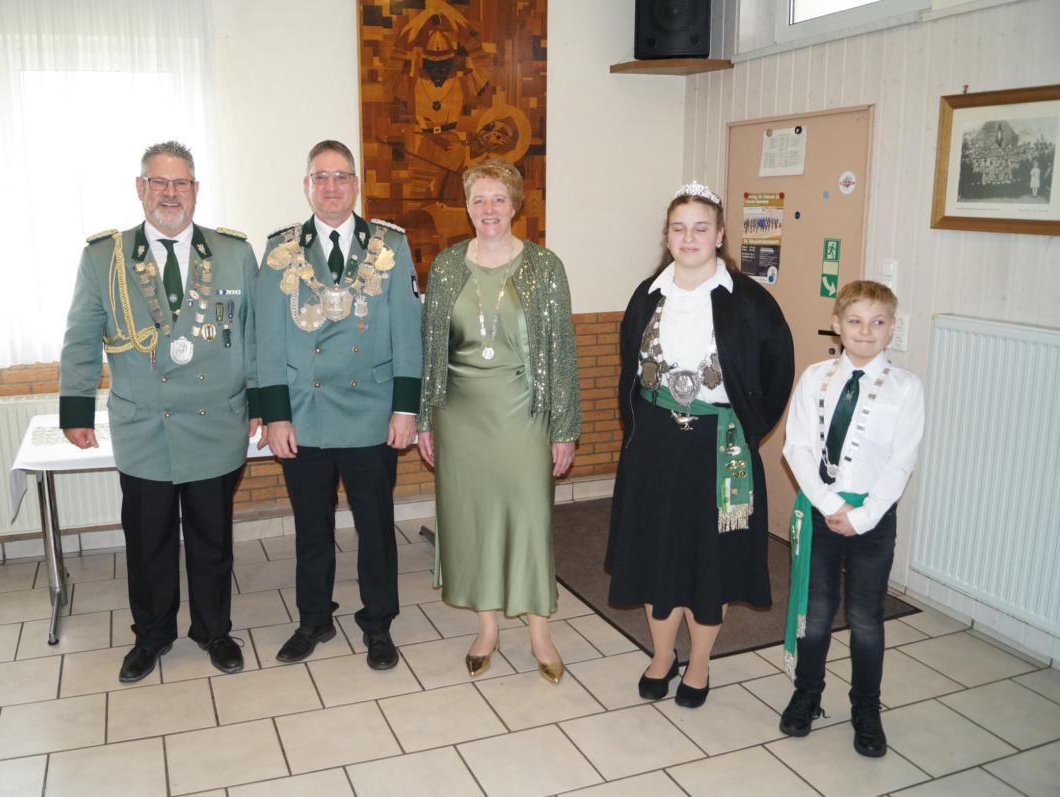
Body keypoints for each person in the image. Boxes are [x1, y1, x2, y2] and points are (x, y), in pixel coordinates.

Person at [60, 141, 262, 682]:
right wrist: (76, 409)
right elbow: (81, 336)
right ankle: (151, 636)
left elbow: (254, 335)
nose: (170, 193)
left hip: (215, 422)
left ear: (196, 190)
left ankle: (214, 631)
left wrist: (262, 402)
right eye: (159, 182)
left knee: (212, 541)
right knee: (148, 541)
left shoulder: (233, 252)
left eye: (181, 183)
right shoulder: (104, 257)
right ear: (140, 188)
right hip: (144, 426)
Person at [604, 182, 794, 708]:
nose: (689, 238)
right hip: (654, 446)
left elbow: (778, 369)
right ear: (667, 236)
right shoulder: (647, 295)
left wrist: (749, 426)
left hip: (720, 447)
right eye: (679, 228)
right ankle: (662, 656)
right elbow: (629, 364)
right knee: (656, 552)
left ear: (720, 235)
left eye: (701, 228)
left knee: (711, 558)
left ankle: (700, 663)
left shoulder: (750, 302)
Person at [252, 140, 422, 670]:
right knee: (311, 526)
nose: (331, 186)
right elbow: (267, 339)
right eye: (321, 177)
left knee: (376, 526)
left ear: (356, 184)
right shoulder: (281, 248)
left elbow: (408, 330)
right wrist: (276, 414)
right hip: (305, 412)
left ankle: (378, 623)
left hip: (372, 411)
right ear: (307, 186)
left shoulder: (390, 244)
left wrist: (406, 409)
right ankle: (313, 619)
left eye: (341, 176)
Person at [417, 158, 580, 684]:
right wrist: (425, 419)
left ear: (514, 205)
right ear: (467, 206)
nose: (488, 209)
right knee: (472, 519)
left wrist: (564, 427)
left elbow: (562, 351)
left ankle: (539, 632)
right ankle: (486, 628)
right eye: (478, 199)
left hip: (524, 414)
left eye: (498, 199)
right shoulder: (446, 266)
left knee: (529, 518)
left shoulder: (545, 266)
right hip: (459, 416)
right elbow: (431, 349)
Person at [779, 280, 925, 757]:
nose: (866, 331)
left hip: (873, 518)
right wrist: (829, 505)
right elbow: (797, 448)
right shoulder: (815, 377)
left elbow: (901, 461)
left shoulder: (906, 388)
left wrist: (863, 516)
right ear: (837, 324)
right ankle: (807, 692)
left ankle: (866, 706)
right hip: (821, 510)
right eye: (856, 321)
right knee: (817, 610)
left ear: (892, 328)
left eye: (877, 322)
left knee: (865, 616)